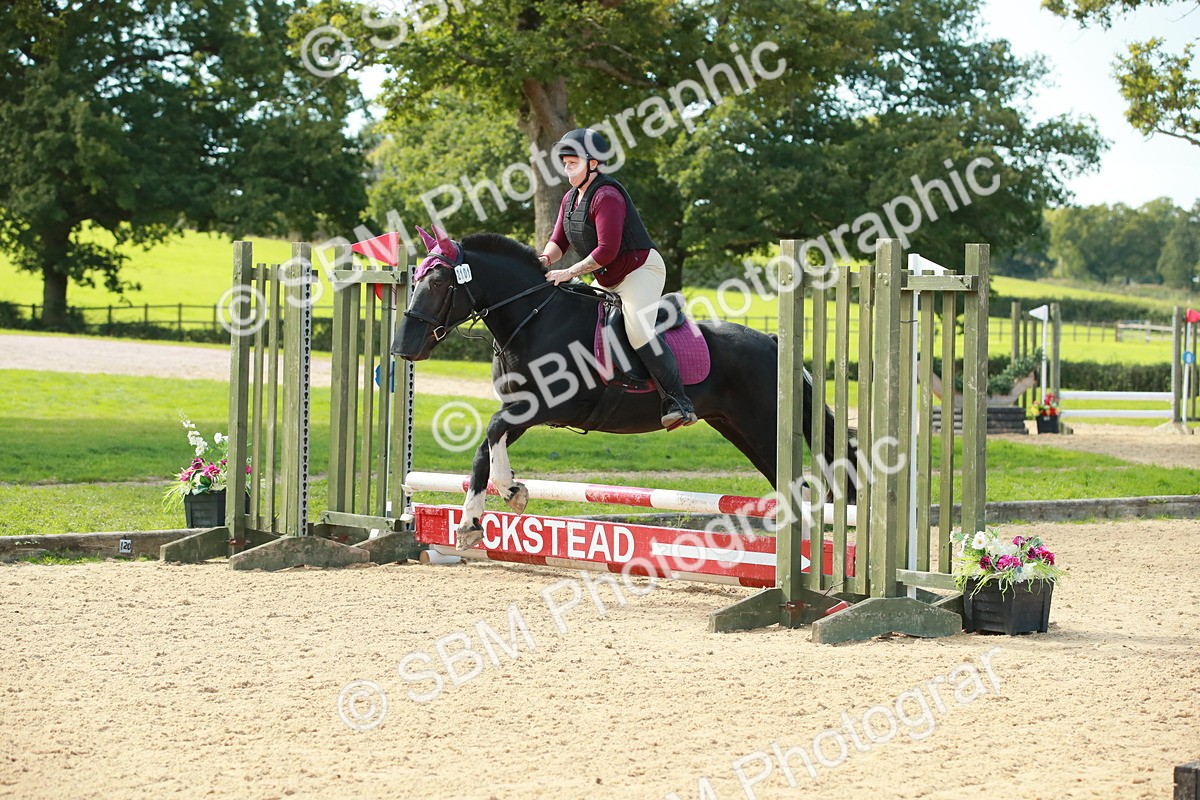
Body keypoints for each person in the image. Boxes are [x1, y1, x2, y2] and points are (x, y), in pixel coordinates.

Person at [539, 128, 698, 429]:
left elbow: (606, 251)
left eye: (573, 163)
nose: (567, 168)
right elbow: (558, 242)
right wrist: (545, 260)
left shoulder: (607, 196)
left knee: (637, 329)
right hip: (609, 275)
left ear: (593, 164)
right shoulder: (570, 199)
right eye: (565, 163)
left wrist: (569, 272)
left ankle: (679, 401)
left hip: (640, 270)